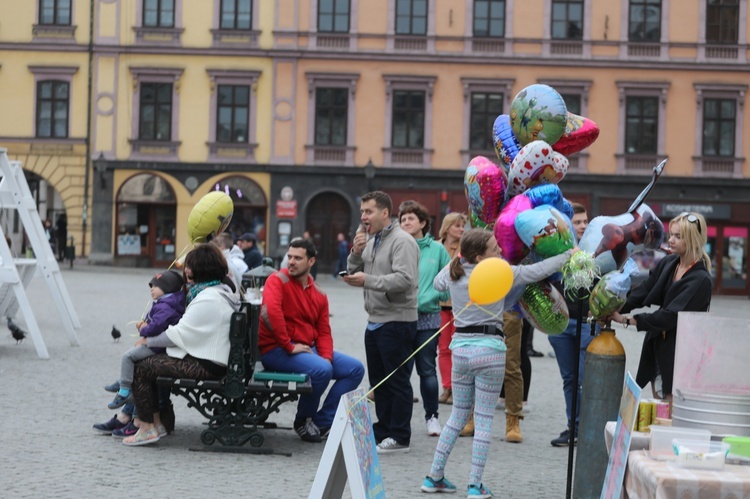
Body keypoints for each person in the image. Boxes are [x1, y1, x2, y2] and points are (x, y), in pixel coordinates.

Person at [421, 229, 577, 497]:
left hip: (461, 350)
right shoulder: (503, 272)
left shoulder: (455, 273)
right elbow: (538, 270)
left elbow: (437, 284)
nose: (500, 251)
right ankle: (474, 485)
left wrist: (458, 257)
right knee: (482, 421)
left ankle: (434, 476)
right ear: (480, 257)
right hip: (490, 351)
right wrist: (567, 254)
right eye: (494, 249)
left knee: (457, 417)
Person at [125, 244, 242, 446]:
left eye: (190, 266)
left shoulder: (207, 298)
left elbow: (177, 334)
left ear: (200, 269)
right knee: (148, 362)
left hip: (209, 364)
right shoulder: (217, 291)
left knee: (142, 367)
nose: (186, 271)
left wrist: (148, 340)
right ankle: (157, 423)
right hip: (214, 358)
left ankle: (146, 428)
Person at [258, 238, 365, 442]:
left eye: (298, 258)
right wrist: (289, 346)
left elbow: (324, 331)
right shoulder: (277, 280)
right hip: (276, 351)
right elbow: (271, 312)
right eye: (289, 257)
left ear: (311, 262)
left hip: (307, 349)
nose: (291, 262)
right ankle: (303, 421)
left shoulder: (319, 294)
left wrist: (325, 357)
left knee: (355, 369)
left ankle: (322, 422)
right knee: (321, 370)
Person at [610, 212, 712, 413]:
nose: (671, 240)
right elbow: (645, 290)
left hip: (681, 354)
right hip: (657, 346)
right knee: (660, 409)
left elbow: (671, 315)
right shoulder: (669, 263)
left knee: (672, 413)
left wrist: (628, 320)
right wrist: (615, 306)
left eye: (678, 236)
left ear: (692, 240)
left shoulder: (700, 279)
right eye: (671, 234)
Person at [343, 190, 419, 454]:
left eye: (369, 211)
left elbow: (405, 280)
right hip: (375, 320)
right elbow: (354, 271)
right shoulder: (371, 240)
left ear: (385, 213)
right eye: (362, 211)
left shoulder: (402, 241)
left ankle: (400, 436)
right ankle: (384, 428)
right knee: (379, 382)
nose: (364, 216)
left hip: (397, 320)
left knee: (397, 381)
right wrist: (355, 252)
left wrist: (368, 280)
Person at [398, 201, 451, 437]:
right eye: (402, 219)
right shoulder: (397, 246)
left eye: (410, 218)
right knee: (401, 372)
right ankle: (401, 420)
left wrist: (433, 295)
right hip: (400, 317)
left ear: (422, 223)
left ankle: (432, 417)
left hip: (428, 318)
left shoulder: (437, 250)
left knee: (427, 370)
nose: (406, 222)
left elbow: (449, 279)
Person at [549, 202, 598, 447]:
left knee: (585, 379)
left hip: (588, 324)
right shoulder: (553, 248)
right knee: (569, 379)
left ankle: (589, 429)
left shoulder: (599, 248)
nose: (581, 226)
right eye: (576, 222)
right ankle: (574, 428)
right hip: (560, 325)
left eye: (584, 221)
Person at [105, 270, 186, 410]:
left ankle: (123, 391)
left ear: (168, 287)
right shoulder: (165, 303)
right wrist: (144, 322)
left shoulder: (166, 306)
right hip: (158, 344)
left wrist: (143, 328)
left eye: (155, 286)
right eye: (151, 286)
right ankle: (124, 381)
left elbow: (155, 327)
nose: (151, 289)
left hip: (157, 346)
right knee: (134, 355)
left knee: (127, 357)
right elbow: (153, 318)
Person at [436, 212, 467, 405]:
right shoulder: (436, 247)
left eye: (463, 226)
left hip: (459, 306)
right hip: (439, 305)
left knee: (458, 349)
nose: (462, 229)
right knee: (443, 349)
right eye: (457, 226)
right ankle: (447, 387)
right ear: (447, 227)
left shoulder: (467, 249)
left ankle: (457, 388)